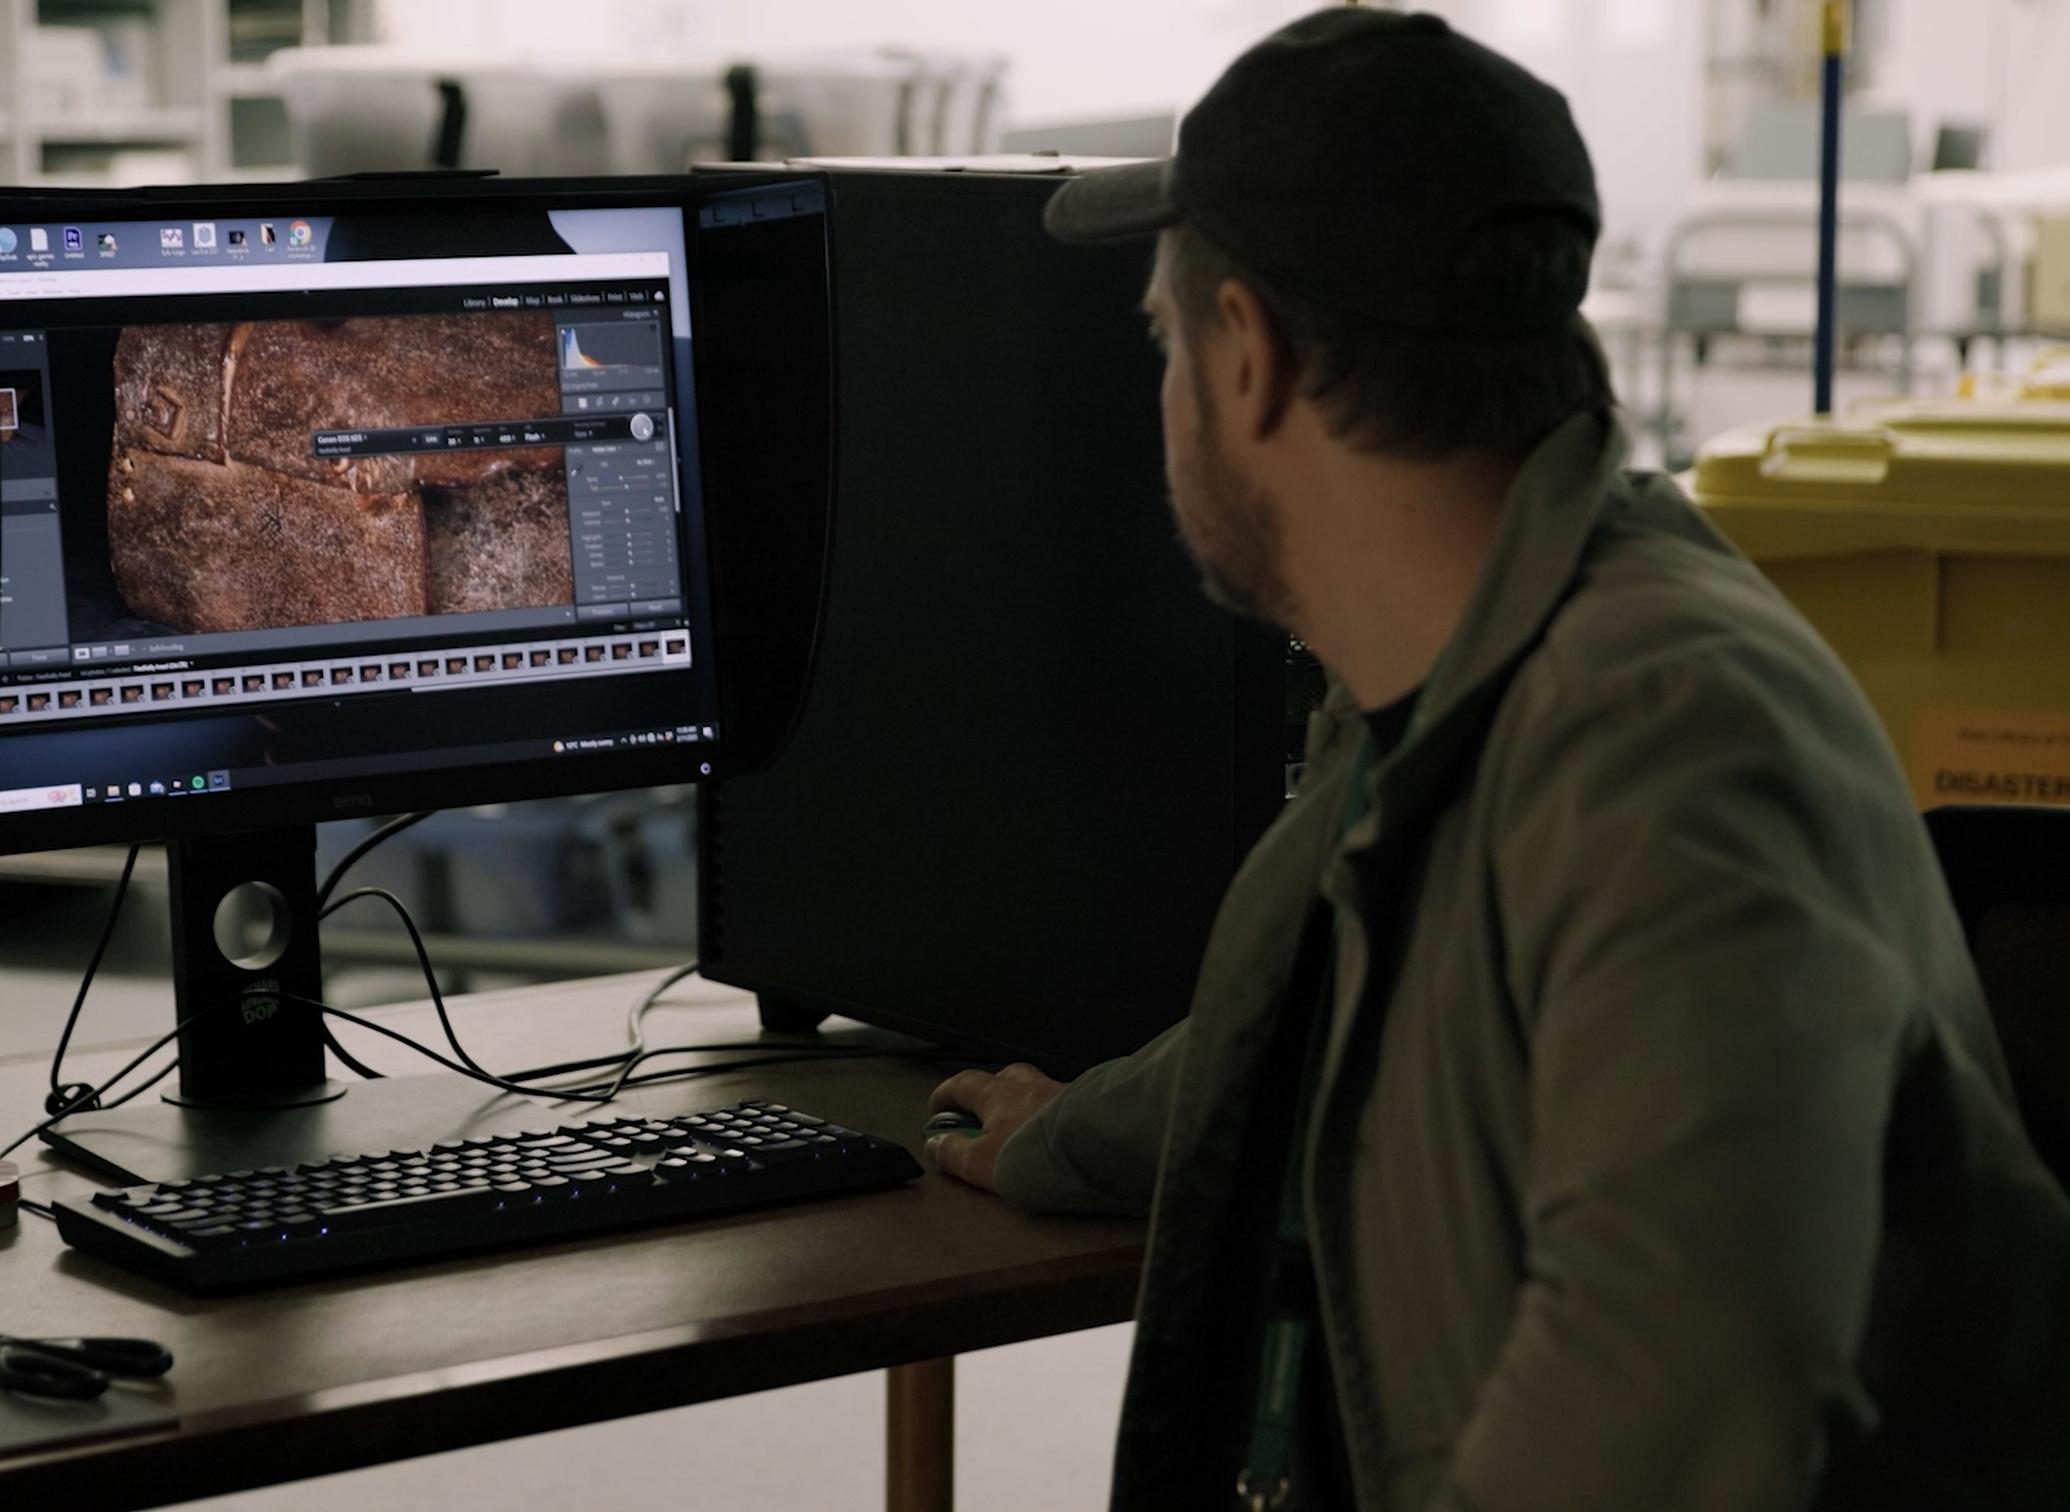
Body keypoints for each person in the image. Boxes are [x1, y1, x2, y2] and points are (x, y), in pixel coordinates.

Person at [924, 10, 2070, 1512]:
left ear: (1247, 358)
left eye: (1163, 341)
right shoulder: (1453, 679)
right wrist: (1065, 1136)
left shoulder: (1667, 751)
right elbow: (1324, 994)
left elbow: (1676, 1406)